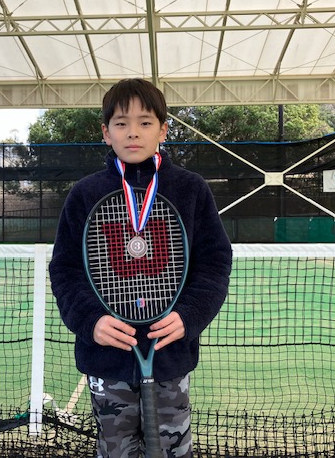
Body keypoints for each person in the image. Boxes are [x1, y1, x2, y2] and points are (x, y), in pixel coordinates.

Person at [49, 78, 232, 458]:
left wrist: (189, 316)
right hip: (106, 358)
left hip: (169, 356)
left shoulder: (191, 189)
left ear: (163, 130)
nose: (133, 132)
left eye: (145, 122)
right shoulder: (84, 194)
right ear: (106, 132)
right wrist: (91, 322)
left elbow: (214, 263)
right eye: (121, 123)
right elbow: (65, 270)